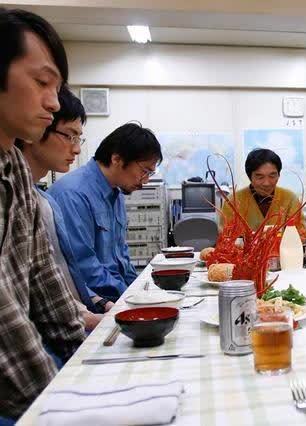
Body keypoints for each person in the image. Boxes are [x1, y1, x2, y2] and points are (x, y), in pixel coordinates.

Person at [0, 8, 85, 421]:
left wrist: (84, 358)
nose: (53, 102)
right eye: (41, 82)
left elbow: (42, 274)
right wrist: (56, 404)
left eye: (57, 87)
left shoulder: (14, 165)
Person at [18, 87, 114, 329]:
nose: (77, 149)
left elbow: (61, 275)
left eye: (78, 138)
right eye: (69, 136)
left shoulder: (44, 200)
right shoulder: (30, 200)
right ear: (35, 127)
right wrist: (88, 320)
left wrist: (99, 302)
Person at [48, 122, 163, 301]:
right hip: (93, 304)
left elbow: (122, 258)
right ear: (117, 159)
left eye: (150, 174)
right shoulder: (73, 195)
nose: (146, 181)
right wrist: (130, 297)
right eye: (144, 171)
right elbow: (84, 268)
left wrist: (141, 292)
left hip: (116, 296)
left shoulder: (116, 193)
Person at [220, 148, 306, 235]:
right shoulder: (233, 201)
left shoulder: (290, 198)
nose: (266, 183)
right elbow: (225, 234)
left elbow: (300, 234)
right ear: (250, 177)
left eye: (272, 176)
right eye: (260, 177)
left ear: (278, 175)